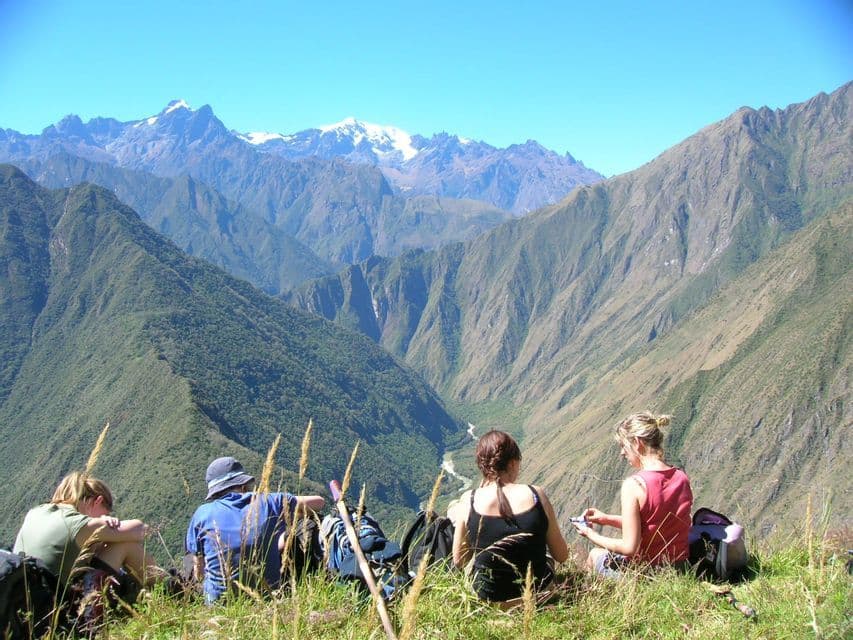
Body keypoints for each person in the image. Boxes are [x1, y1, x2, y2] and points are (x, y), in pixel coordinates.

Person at [13, 472, 158, 624]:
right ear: (98, 501)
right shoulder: (78, 524)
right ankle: (173, 589)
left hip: (26, 614)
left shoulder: (35, 513)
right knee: (124, 545)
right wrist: (103, 523)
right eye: (106, 512)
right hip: (60, 617)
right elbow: (142, 530)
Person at [186, 456, 324, 603]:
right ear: (244, 485)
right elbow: (319, 503)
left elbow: (198, 573)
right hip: (268, 600)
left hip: (219, 605)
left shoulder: (201, 514)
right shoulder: (271, 502)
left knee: (190, 560)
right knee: (307, 524)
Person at [451, 430, 568, 603]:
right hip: (537, 598)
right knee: (548, 558)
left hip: (490, 603)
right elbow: (561, 555)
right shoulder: (537, 494)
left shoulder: (470, 500)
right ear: (513, 463)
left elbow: (459, 560)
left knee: (453, 510)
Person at [573, 411, 693, 577]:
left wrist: (590, 534)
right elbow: (653, 524)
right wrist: (606, 519)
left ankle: (599, 600)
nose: (622, 453)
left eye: (623, 445)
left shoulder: (635, 485)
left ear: (637, 443)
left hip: (648, 574)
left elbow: (630, 548)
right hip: (680, 570)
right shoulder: (681, 477)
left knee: (594, 555)